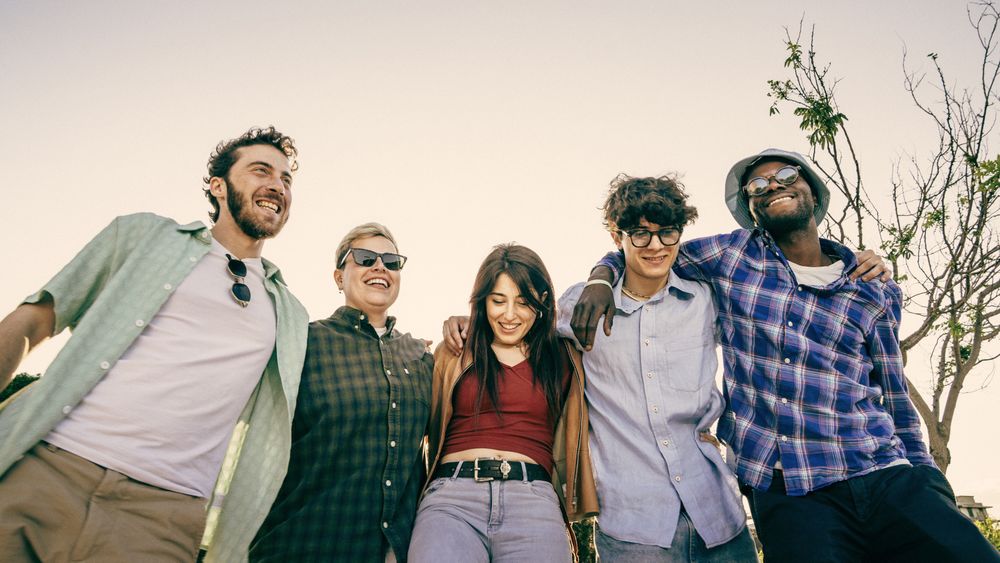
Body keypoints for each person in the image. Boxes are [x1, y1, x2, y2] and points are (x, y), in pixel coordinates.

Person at [572, 149, 1000, 562]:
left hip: (881, 469)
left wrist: (925, 476)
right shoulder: (731, 257)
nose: (773, 185)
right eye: (758, 184)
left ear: (813, 191)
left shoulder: (873, 287)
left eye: (786, 176)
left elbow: (894, 391)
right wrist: (600, 278)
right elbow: (645, 247)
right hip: (791, 486)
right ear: (751, 209)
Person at [0, 126, 308, 562]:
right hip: (50, 468)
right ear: (219, 187)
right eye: (262, 171)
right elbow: (35, 319)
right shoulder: (142, 237)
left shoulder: (289, 314)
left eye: (286, 178)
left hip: (162, 514)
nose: (277, 184)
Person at [554, 174, 757, 561]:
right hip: (632, 524)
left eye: (667, 233)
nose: (655, 246)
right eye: (640, 234)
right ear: (617, 236)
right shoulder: (581, 306)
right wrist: (464, 324)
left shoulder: (704, 300)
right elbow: (514, 331)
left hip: (717, 513)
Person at [250, 222, 433, 563]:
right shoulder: (301, 343)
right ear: (339, 277)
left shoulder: (421, 357)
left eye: (391, 261)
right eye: (365, 258)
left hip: (392, 553)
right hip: (302, 545)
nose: (380, 267)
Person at [410, 244, 596, 563]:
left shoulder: (564, 358)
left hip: (534, 501)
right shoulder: (454, 351)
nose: (509, 315)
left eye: (523, 303)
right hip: (452, 500)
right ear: (481, 302)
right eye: (498, 301)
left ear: (541, 303)